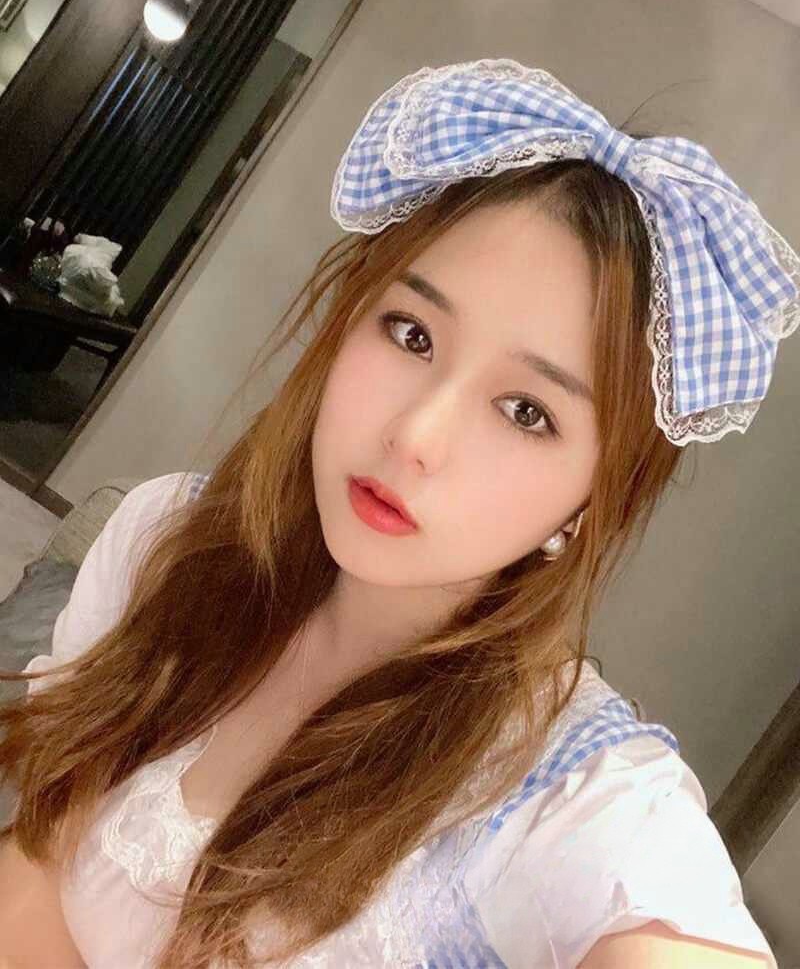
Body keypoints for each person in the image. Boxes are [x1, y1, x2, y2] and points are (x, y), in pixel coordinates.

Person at [1, 58, 797, 968]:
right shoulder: (166, 540)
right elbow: (36, 854)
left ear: (589, 501)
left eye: (526, 411)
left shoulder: (573, 799)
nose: (415, 434)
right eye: (412, 334)